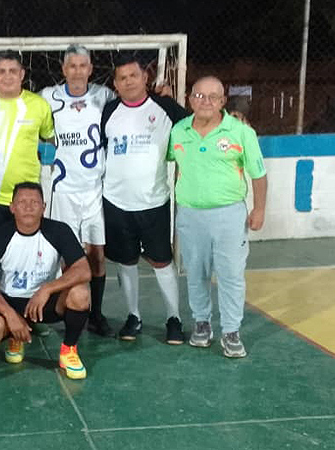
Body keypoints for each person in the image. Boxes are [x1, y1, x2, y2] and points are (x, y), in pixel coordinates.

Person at [168, 76, 267, 358]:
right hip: (189, 215)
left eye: (213, 97)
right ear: (190, 99)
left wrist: (259, 209)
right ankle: (202, 324)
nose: (206, 102)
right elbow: (168, 161)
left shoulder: (241, 132)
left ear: (223, 101)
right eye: (200, 96)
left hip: (229, 216)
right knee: (195, 273)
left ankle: (231, 331)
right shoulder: (178, 131)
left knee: (230, 274)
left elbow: (259, 175)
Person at [100, 53, 189, 343]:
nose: (128, 82)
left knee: (161, 261)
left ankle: (173, 318)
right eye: (122, 78)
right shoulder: (108, 112)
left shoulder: (166, 107)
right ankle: (133, 316)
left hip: (154, 202)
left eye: (133, 75)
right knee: (125, 262)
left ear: (145, 77)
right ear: (115, 84)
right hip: (115, 202)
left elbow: (195, 129)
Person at [0, 182, 92, 380]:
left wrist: (47, 289)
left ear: (43, 207)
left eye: (34, 202)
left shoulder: (59, 231)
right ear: (12, 207)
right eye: (22, 202)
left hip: (44, 303)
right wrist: (10, 315)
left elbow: (84, 270)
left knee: (80, 293)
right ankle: (14, 336)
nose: (28, 207)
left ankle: (68, 350)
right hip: (10, 302)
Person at [39, 44, 116, 337]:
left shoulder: (104, 96)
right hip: (63, 190)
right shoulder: (49, 96)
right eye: (72, 66)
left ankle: (96, 314)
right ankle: (69, 308)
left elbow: (129, 107)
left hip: (94, 188)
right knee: (66, 255)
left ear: (90, 69)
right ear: (64, 69)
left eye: (83, 66)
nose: (77, 71)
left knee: (96, 254)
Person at [0, 51, 55, 243]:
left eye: (12, 71)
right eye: (1, 71)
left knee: (28, 251)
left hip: (28, 198)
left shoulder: (39, 106)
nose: (7, 76)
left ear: (22, 74)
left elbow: (50, 137)